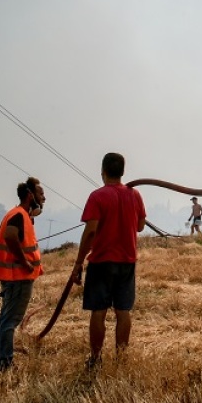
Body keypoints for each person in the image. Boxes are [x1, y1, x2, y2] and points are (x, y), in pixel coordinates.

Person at [71, 153, 147, 369]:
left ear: (103, 171)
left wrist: (78, 263)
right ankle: (121, 360)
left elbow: (90, 232)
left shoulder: (97, 196)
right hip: (127, 261)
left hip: (102, 261)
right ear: (122, 171)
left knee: (99, 311)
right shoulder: (135, 195)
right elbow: (141, 226)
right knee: (123, 311)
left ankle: (95, 359)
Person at [0, 177, 46, 371]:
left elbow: (20, 233)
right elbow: (11, 236)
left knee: (5, 318)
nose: (43, 197)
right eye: (40, 193)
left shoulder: (20, 214)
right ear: (30, 195)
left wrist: (36, 209)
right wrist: (25, 263)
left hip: (14, 276)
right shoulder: (19, 215)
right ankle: (4, 362)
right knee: (10, 320)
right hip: (18, 276)